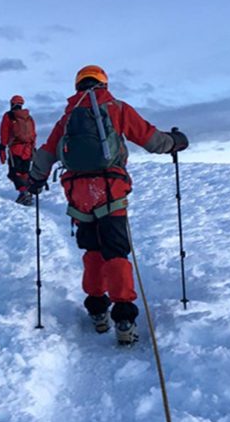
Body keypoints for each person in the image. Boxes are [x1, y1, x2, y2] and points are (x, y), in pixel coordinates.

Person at [26, 65, 189, 344]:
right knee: (115, 252)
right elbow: (151, 140)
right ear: (104, 83)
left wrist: (34, 180)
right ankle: (124, 317)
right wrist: (175, 142)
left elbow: (47, 153)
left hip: (79, 194)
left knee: (92, 250)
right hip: (111, 192)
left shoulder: (68, 117)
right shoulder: (117, 108)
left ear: (78, 85)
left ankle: (98, 311)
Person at [0, 95, 37, 205]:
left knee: (13, 173)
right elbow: (33, 133)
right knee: (24, 172)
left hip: (15, 148)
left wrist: (2, 147)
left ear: (11, 103)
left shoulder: (9, 116)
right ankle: (28, 192)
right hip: (28, 149)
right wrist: (33, 147)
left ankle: (23, 193)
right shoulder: (29, 117)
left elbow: (4, 132)